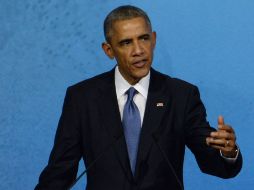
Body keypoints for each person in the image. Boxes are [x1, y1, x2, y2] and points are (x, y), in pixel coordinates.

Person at [35, 5, 242, 190]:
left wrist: (227, 152)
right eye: (126, 42)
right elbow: (60, 172)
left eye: (143, 38)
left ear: (154, 39)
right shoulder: (82, 98)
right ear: (109, 50)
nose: (138, 51)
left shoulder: (181, 95)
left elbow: (214, 164)